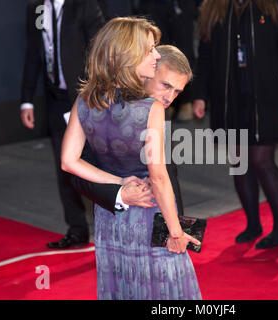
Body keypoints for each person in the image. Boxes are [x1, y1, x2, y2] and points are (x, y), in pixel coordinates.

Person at [61, 17, 202, 300]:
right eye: (150, 49)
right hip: (145, 212)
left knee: (122, 286)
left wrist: (122, 184)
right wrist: (176, 232)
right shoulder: (150, 109)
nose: (156, 54)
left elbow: (68, 160)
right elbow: (159, 177)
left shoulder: (85, 97)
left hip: (109, 222)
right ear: (128, 52)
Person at [192, 0, 278, 249]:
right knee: (240, 163)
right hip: (229, 96)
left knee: (263, 160)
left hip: (266, 95)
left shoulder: (273, 6)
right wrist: (200, 94)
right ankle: (253, 224)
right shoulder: (213, 8)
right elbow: (205, 56)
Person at [20, 0, 105, 249]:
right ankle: (77, 229)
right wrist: (27, 100)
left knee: (97, 163)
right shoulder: (35, 9)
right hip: (55, 99)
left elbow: (99, 53)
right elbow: (34, 52)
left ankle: (109, 228)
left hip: (86, 100)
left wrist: (98, 99)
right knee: (64, 166)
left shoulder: (85, 6)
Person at [71, 45, 192, 217]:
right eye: (165, 85)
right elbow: (76, 170)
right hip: (114, 216)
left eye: (177, 91)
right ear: (148, 72)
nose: (169, 97)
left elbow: (167, 176)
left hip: (156, 215)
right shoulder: (102, 104)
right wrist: (120, 194)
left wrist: (177, 224)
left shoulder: (157, 110)